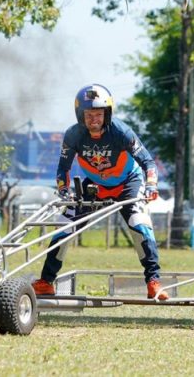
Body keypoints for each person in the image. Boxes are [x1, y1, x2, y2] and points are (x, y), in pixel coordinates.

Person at [32, 83, 169, 301]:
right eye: (88, 115)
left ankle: (154, 282)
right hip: (95, 185)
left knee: (139, 223)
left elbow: (148, 162)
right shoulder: (73, 135)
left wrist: (151, 185)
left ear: (107, 114)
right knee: (64, 224)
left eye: (98, 114)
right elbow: (63, 168)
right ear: (80, 115)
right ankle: (46, 282)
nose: (94, 119)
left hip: (128, 182)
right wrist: (64, 190)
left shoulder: (122, 132)